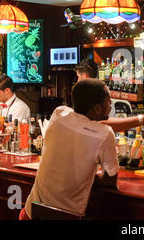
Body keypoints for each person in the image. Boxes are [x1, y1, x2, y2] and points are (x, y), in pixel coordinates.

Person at [20, 78, 119, 219]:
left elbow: (83, 124)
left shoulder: (58, 114)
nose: (111, 104)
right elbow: (110, 180)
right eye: (108, 101)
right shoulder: (105, 133)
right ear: (97, 108)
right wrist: (88, 176)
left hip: (31, 214)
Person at [74, 58, 144, 132]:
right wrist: (143, 119)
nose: (77, 80)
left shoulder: (84, 97)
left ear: (84, 76)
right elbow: (104, 123)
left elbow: (104, 123)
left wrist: (143, 119)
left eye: (78, 76)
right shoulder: (101, 92)